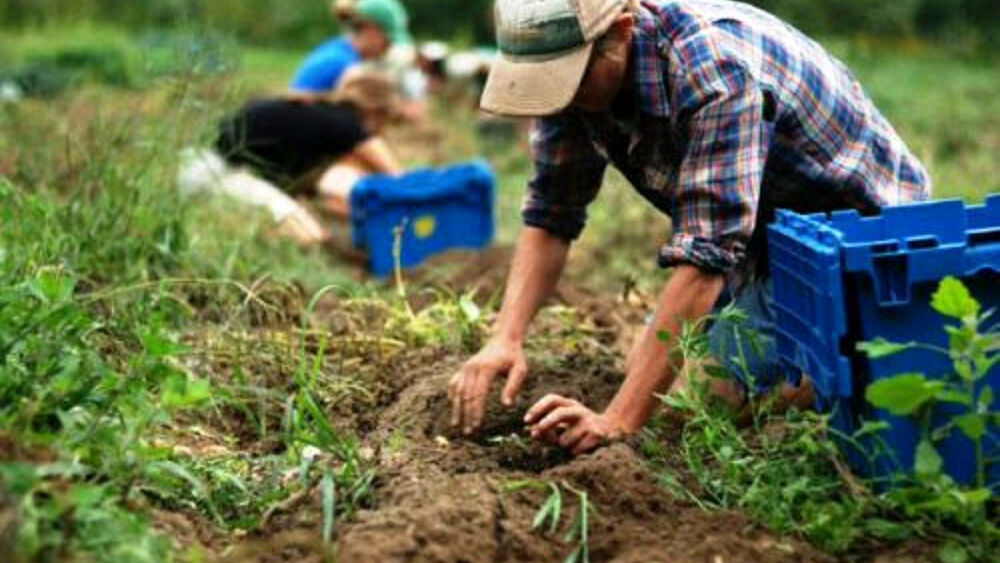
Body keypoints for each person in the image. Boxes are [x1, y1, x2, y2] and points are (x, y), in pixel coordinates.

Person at [448, 0, 931, 455]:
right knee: (652, 379)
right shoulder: (579, 87)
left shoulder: (713, 71)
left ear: (620, 30)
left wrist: (617, 421)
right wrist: (504, 339)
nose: (564, 96)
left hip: (850, 239)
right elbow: (553, 211)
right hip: (757, 238)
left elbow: (704, 260)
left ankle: (848, 365)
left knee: (685, 414)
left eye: (572, 77)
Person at [178, 71, 402, 245]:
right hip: (214, 175)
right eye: (387, 121)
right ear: (375, 112)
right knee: (310, 236)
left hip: (199, 166)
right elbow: (397, 179)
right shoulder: (347, 126)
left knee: (310, 223)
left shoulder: (323, 114)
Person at [290, 0, 411, 97]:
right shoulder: (342, 64)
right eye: (388, 41)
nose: (388, 48)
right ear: (371, 29)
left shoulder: (337, 48)